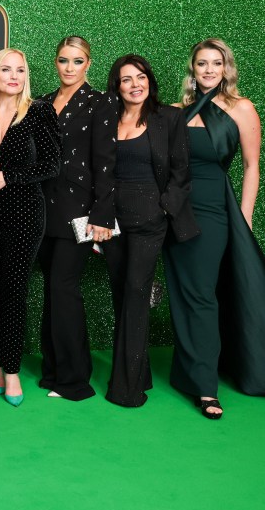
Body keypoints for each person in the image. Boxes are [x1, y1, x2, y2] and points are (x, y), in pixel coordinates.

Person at [164, 39, 265, 418]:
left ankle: (206, 388)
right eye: (201, 63)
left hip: (214, 212)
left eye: (216, 63)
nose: (208, 70)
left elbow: (252, 167)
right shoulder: (175, 111)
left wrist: (245, 217)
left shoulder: (242, 109)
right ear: (192, 69)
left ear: (227, 69)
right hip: (174, 213)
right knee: (183, 294)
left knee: (203, 294)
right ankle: (187, 372)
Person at [100, 54, 198, 408]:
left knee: (137, 293)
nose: (135, 84)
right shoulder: (107, 119)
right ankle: (139, 373)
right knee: (121, 295)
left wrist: (163, 210)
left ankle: (126, 388)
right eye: (126, 79)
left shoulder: (168, 118)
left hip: (149, 221)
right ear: (117, 86)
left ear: (149, 81)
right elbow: (100, 172)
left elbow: (181, 173)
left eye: (140, 77)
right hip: (111, 222)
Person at [0, 48, 61, 407]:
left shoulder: (39, 112)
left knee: (14, 291)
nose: (14, 76)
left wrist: (9, 176)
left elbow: (53, 164)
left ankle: (13, 371)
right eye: (6, 69)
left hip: (23, 213)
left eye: (20, 70)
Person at [36, 37, 118, 401]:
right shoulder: (39, 103)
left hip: (79, 211)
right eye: (63, 60)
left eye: (77, 61)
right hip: (41, 209)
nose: (69, 68)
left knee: (63, 288)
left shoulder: (100, 103)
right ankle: (53, 370)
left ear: (89, 64)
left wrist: (102, 214)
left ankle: (74, 381)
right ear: (55, 62)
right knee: (53, 290)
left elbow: (106, 161)